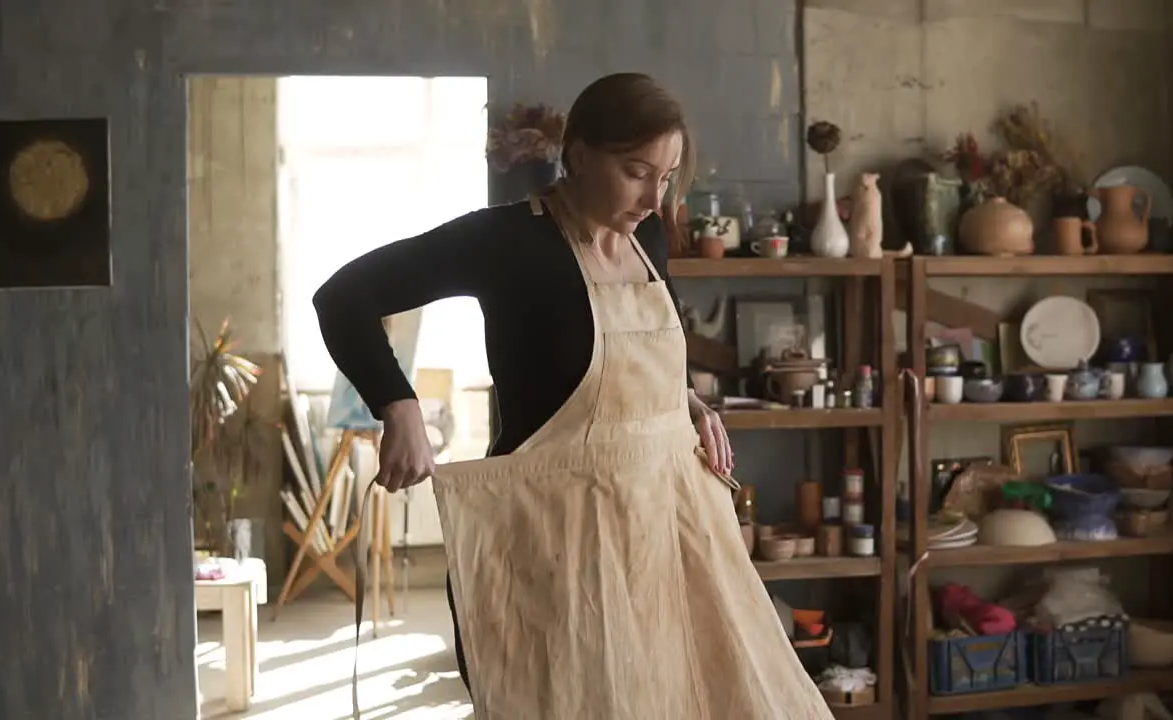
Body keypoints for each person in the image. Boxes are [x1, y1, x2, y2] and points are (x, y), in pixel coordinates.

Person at [315, 73, 832, 719]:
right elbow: (344, 297)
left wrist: (686, 405)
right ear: (579, 153)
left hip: (662, 526)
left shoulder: (647, 238)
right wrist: (400, 406)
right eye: (636, 170)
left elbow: (637, 366)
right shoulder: (505, 241)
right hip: (554, 541)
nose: (653, 196)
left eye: (667, 176)